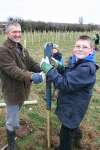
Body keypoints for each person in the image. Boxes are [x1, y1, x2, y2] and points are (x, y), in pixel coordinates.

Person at [40, 35, 98, 150]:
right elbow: (71, 74)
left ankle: (64, 147)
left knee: (65, 134)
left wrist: (50, 70)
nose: (80, 49)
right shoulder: (79, 61)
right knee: (72, 125)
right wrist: (60, 67)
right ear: (74, 47)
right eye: (78, 46)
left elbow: (65, 84)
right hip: (73, 105)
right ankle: (77, 138)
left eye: (84, 47)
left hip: (73, 107)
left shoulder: (86, 68)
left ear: (91, 50)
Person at [0, 22, 44, 150]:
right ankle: (11, 144)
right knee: (12, 120)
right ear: (7, 33)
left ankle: (14, 128)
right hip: (12, 92)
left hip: (23, 90)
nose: (18, 34)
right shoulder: (3, 50)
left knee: (16, 113)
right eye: (14, 32)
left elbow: (31, 63)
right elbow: (13, 70)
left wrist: (43, 69)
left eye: (19, 31)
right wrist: (31, 76)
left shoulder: (21, 48)